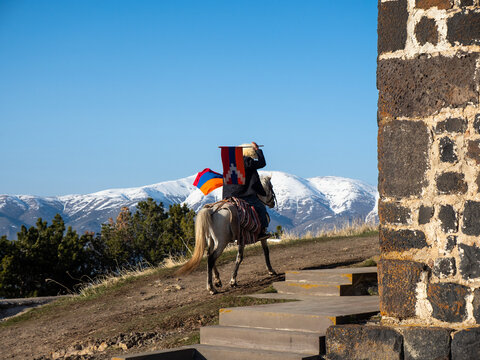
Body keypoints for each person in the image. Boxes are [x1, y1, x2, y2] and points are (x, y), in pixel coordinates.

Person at [222, 141, 270, 239]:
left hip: (227, 195)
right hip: (243, 194)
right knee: (261, 207)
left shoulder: (230, 163)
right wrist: (258, 149)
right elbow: (262, 163)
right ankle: (262, 232)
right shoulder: (247, 161)